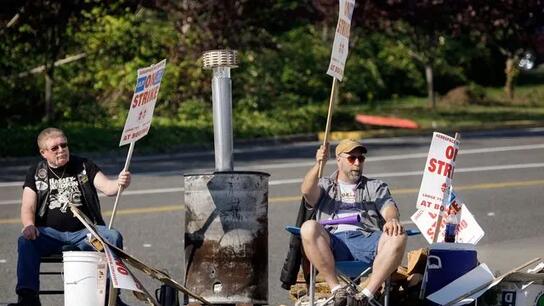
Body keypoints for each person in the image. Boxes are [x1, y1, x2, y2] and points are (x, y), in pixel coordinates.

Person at [9, 127, 132, 306]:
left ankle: (110, 297)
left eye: (64, 145)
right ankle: (28, 299)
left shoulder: (83, 165)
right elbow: (28, 205)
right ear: (43, 153)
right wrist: (28, 224)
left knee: (112, 236)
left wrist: (120, 182)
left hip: (86, 233)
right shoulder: (36, 172)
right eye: (55, 148)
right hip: (50, 234)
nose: (61, 150)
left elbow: (108, 187)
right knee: (25, 241)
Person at [299, 139, 407, 306]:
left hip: (368, 239)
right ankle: (337, 291)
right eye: (351, 158)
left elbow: (389, 207)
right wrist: (318, 164)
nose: (357, 163)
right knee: (308, 227)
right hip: (332, 243)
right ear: (339, 159)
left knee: (398, 235)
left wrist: (392, 220)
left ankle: (365, 295)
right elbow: (306, 190)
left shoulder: (375, 186)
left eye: (361, 158)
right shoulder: (324, 185)